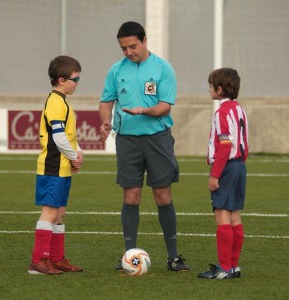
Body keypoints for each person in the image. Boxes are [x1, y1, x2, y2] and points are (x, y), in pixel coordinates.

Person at [99, 21, 189, 272]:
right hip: (127, 140)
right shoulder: (116, 70)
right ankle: (129, 255)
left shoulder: (163, 68)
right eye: (123, 48)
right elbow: (106, 101)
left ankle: (173, 257)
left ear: (144, 41)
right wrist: (105, 121)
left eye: (132, 46)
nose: (128, 52)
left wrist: (144, 111)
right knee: (131, 196)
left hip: (158, 138)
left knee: (162, 196)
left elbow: (165, 106)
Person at [28, 55, 84, 275]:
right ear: (62, 80)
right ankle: (38, 262)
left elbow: (68, 136)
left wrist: (78, 153)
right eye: (76, 78)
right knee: (50, 213)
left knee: (59, 213)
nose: (78, 83)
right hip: (52, 166)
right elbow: (59, 138)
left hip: (61, 167)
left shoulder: (62, 102)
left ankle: (56, 259)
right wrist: (72, 156)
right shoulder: (54, 102)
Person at [198, 68, 249, 279]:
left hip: (227, 168)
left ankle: (224, 268)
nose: (209, 90)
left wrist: (215, 174)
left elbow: (225, 145)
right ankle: (233, 266)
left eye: (210, 87)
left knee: (222, 216)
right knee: (235, 216)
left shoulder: (222, 112)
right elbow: (243, 143)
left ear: (219, 90)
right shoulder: (240, 110)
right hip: (240, 166)